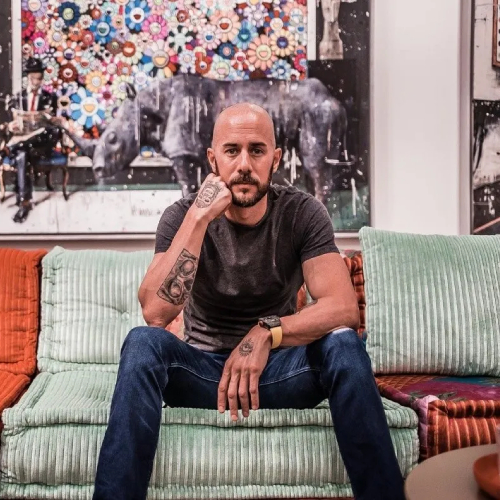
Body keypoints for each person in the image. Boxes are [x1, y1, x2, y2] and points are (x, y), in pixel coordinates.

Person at [93, 103, 405, 500]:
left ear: (275, 159)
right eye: (232, 151)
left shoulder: (302, 212)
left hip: (277, 372)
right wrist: (199, 218)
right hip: (202, 374)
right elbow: (155, 312)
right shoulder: (181, 216)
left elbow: (343, 308)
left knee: (344, 344)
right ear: (213, 160)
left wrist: (266, 332)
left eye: (257, 151)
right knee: (142, 342)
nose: (244, 164)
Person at [5, 57, 60, 223]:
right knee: (22, 155)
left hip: (41, 142)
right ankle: (25, 202)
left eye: (39, 78)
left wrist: (52, 120)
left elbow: (54, 124)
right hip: (23, 141)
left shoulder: (50, 98)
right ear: (28, 77)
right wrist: (11, 126)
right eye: (33, 78)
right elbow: (9, 123)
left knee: (22, 149)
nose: (36, 82)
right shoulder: (17, 98)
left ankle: (12, 149)